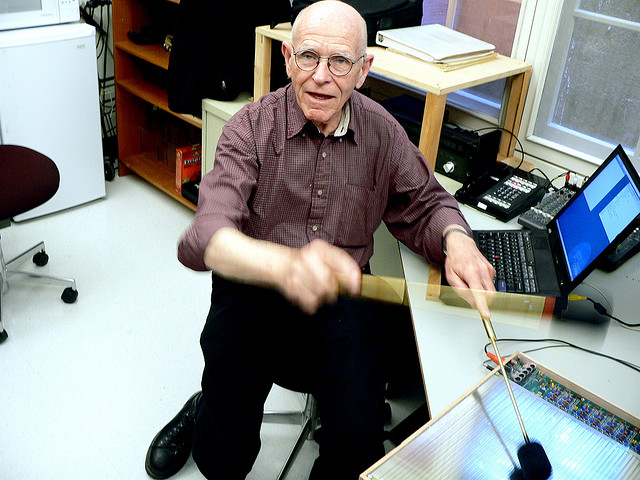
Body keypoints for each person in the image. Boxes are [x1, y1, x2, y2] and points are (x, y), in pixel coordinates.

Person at [145, 1, 496, 479]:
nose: (320, 77)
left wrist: (458, 240)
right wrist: (286, 266)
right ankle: (202, 408)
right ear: (288, 58)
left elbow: (428, 202)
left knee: (358, 442)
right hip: (252, 285)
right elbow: (206, 236)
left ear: (364, 69)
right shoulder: (250, 127)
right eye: (308, 56)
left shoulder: (383, 133)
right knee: (223, 455)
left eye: (340, 62)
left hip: (341, 296)